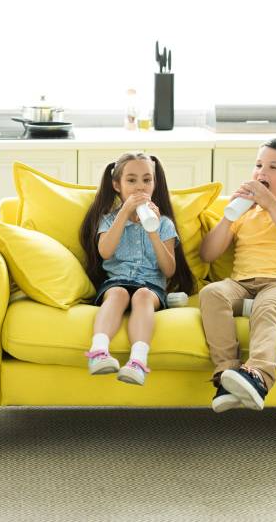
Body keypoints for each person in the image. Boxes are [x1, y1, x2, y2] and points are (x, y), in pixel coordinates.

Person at [199, 137, 276, 412]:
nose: (261, 173)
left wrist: (271, 204)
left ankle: (259, 377)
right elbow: (207, 254)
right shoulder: (245, 212)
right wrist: (229, 215)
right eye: (258, 165)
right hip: (242, 284)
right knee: (212, 293)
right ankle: (227, 376)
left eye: (273, 167)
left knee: (268, 307)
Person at [78, 151, 194, 385]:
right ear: (116, 185)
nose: (140, 186)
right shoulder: (109, 219)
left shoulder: (164, 223)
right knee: (118, 293)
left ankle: (138, 362)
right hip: (117, 282)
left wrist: (153, 231)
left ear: (154, 184)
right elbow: (105, 252)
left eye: (146, 180)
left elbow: (169, 270)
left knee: (141, 296)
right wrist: (124, 213)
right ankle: (99, 352)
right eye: (131, 180)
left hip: (150, 287)